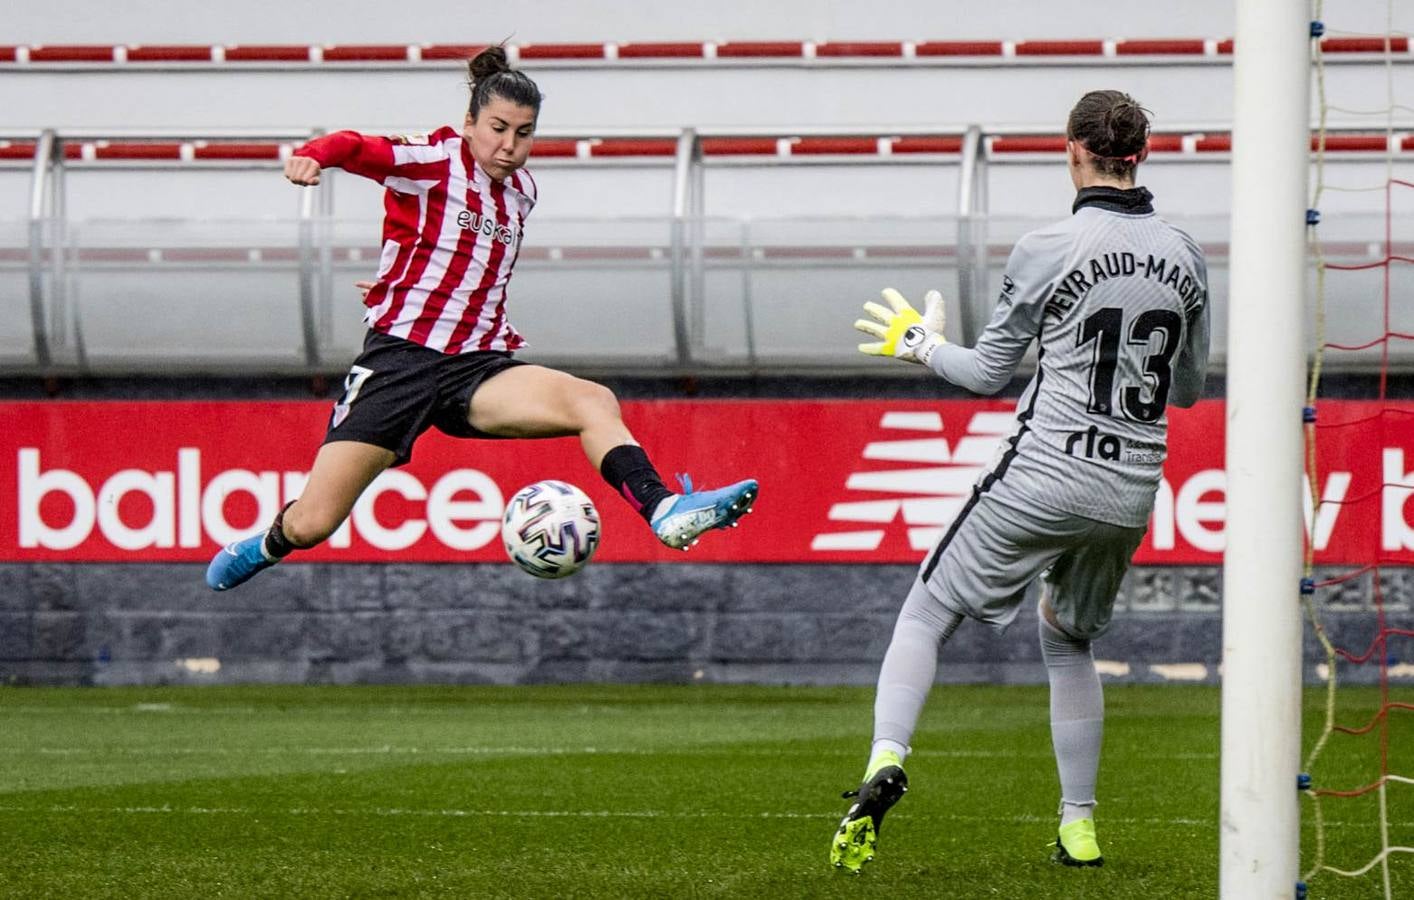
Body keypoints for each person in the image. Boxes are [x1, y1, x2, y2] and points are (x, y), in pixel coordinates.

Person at [206, 47, 758, 591]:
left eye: (524, 133)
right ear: (469, 122)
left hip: (478, 366)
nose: (509, 145)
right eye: (497, 127)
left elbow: (463, 261)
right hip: (401, 362)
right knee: (314, 523)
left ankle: (663, 509)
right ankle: (268, 544)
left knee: (593, 402)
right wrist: (313, 154)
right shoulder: (432, 158)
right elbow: (356, 147)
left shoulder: (522, 192)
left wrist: (406, 277)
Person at [830, 90, 1209, 873]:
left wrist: (920, 344)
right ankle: (1079, 826)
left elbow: (985, 373)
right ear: (1141, 153)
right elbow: (1190, 391)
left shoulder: (1049, 245)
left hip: (1046, 471)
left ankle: (883, 761)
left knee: (929, 608)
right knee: (1068, 640)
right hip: (1131, 486)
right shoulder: (1186, 254)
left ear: (1071, 149)